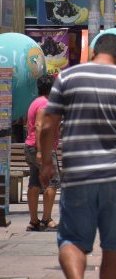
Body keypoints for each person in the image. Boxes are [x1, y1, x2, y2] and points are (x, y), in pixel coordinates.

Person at [39, 33, 116, 279]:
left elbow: (48, 124)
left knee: (72, 239)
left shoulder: (68, 78)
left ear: (93, 51)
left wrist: (46, 162)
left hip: (78, 174)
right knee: (114, 247)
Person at [24, 75, 60, 232]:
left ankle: (34, 220)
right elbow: (39, 126)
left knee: (34, 182)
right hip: (42, 148)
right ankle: (46, 219)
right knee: (52, 182)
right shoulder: (45, 104)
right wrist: (40, 151)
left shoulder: (35, 102)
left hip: (30, 145)